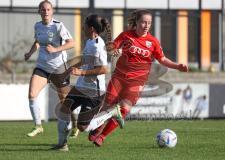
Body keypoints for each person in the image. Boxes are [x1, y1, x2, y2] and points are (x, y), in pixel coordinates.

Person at [89, 9, 189, 147]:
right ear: (136, 22)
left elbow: (163, 59)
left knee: (124, 109)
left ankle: (102, 137)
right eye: (143, 22)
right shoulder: (126, 35)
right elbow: (112, 48)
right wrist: (113, 48)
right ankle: (98, 128)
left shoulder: (153, 42)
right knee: (107, 105)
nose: (146, 25)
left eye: (149, 23)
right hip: (119, 77)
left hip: (137, 81)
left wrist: (178, 66)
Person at [52, 14, 123, 151]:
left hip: (94, 92)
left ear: (91, 28)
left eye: (84, 25)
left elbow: (104, 69)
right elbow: (85, 59)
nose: (82, 27)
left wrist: (82, 72)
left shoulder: (99, 46)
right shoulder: (90, 41)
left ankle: (111, 112)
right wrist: (66, 73)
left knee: (82, 127)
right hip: (81, 86)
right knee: (63, 110)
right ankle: (62, 145)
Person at [24, 0, 74, 137]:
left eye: (48, 9)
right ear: (39, 11)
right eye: (43, 9)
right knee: (32, 95)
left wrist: (56, 49)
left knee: (64, 101)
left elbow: (72, 43)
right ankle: (38, 126)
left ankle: (72, 125)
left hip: (58, 68)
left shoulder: (58, 26)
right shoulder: (38, 26)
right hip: (42, 67)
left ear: (52, 11)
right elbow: (38, 42)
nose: (45, 12)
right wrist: (30, 53)